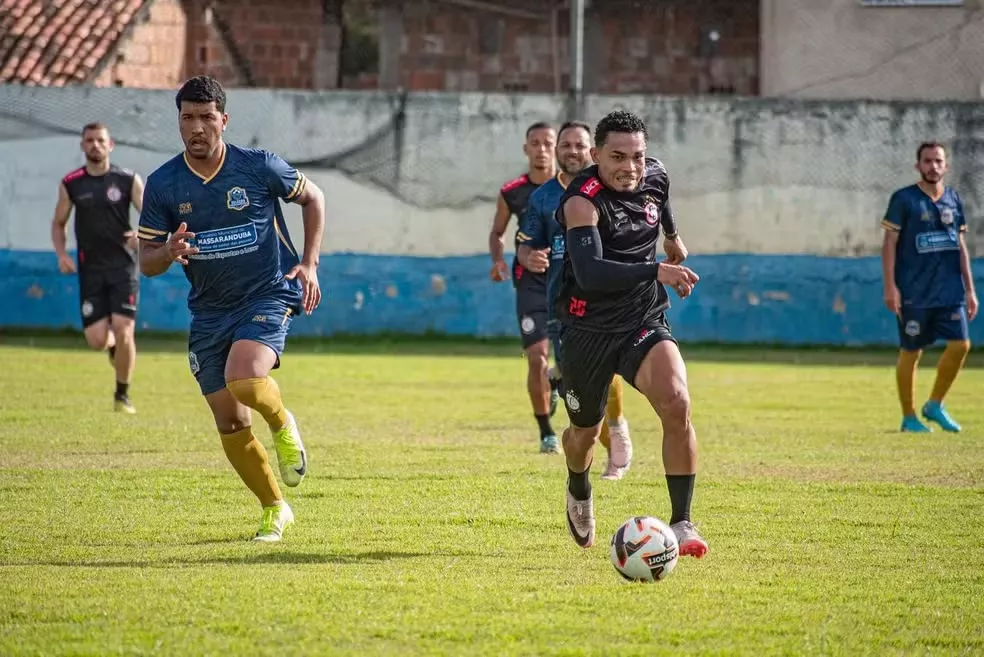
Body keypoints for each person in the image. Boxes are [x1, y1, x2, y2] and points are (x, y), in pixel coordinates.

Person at [137, 76, 324, 542]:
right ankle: (275, 509)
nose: (196, 127)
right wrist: (169, 251)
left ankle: (283, 423)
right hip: (209, 312)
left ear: (223, 119)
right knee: (230, 418)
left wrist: (309, 263)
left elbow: (313, 196)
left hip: (267, 293)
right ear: (179, 122)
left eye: (205, 117)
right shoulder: (163, 184)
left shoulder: (257, 167)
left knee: (245, 377)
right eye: (187, 118)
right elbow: (147, 263)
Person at [553, 110, 707, 558]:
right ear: (595, 155)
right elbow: (591, 271)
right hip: (587, 329)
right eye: (617, 157)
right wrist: (658, 267)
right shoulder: (582, 201)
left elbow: (661, 198)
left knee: (677, 402)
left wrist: (673, 236)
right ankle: (578, 484)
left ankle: (682, 523)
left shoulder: (655, 174)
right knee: (584, 433)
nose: (630, 167)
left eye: (636, 156)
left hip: (643, 319)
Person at [517, 120, 634, 478]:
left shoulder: (607, 190)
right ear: (558, 151)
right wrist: (527, 256)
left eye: (579, 145)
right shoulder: (542, 197)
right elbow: (525, 243)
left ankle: (617, 433)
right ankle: (566, 386)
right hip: (563, 302)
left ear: (592, 151)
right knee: (578, 380)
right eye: (565, 145)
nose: (572, 151)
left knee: (608, 364)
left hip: (605, 296)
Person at [881, 141, 978, 433]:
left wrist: (970, 289)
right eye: (927, 161)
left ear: (946, 166)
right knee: (912, 351)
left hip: (949, 291)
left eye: (938, 161)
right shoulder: (904, 199)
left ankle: (935, 404)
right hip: (913, 291)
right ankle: (909, 417)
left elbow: (960, 246)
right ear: (918, 166)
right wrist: (890, 287)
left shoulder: (954, 200)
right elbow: (889, 244)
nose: (933, 166)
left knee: (961, 345)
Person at [51, 122, 144, 414]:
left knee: (124, 328)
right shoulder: (72, 183)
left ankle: (122, 396)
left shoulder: (128, 180)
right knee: (97, 340)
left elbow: (152, 215)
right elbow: (59, 223)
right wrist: (61, 254)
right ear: (82, 145)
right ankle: (114, 349)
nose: (95, 145)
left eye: (100, 140)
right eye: (89, 140)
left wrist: (141, 235)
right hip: (90, 270)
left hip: (123, 269)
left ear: (110, 144)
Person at [488, 122, 563, 452]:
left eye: (548, 143)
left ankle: (557, 383)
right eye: (535, 143)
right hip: (530, 283)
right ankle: (546, 432)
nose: (542, 149)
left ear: (556, 148)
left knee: (568, 359)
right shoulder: (512, 191)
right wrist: (499, 261)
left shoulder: (574, 188)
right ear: (526, 149)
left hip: (569, 280)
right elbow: (497, 233)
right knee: (536, 357)